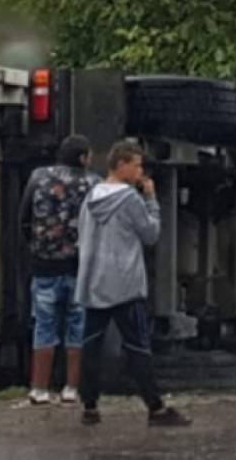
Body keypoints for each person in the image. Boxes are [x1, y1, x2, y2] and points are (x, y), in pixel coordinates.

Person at [74, 140, 189, 427]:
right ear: (121, 164)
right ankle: (156, 407)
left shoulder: (90, 197)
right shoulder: (129, 199)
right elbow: (150, 233)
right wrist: (151, 199)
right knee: (138, 346)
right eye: (137, 165)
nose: (141, 172)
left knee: (91, 345)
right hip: (124, 283)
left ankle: (89, 406)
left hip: (93, 280)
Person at [19, 134, 100, 404]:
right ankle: (71, 388)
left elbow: (24, 219)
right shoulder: (93, 182)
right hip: (79, 268)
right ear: (82, 158)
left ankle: (39, 388)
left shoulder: (38, 177)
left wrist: (36, 246)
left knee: (44, 325)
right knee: (77, 327)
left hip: (44, 266)